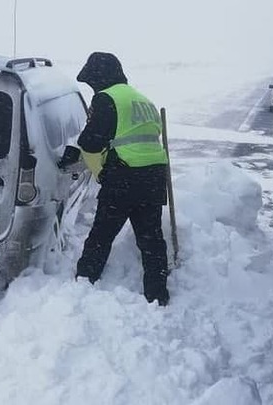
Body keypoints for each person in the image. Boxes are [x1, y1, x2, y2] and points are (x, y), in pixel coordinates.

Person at [72, 52, 170, 306]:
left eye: (92, 82)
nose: (92, 88)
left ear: (99, 77)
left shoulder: (107, 98)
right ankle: (158, 295)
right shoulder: (142, 100)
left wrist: (96, 166)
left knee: (102, 234)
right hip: (155, 177)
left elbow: (91, 141)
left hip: (125, 177)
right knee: (151, 240)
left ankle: (84, 282)